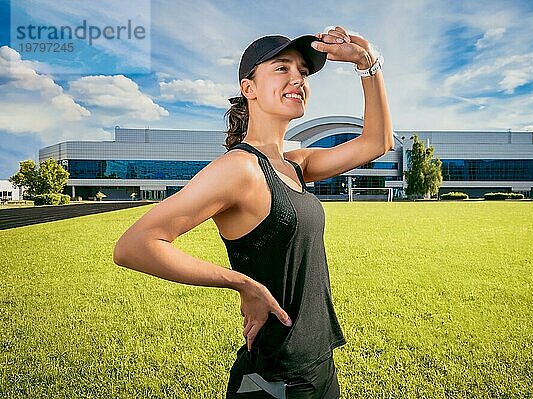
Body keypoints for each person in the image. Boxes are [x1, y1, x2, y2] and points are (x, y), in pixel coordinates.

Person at [113, 25, 393, 399]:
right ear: (250, 89)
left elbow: (377, 142)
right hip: (276, 381)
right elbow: (134, 245)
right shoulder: (239, 169)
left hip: (318, 367)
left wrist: (368, 65)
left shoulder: (295, 164)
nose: (297, 78)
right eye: (282, 68)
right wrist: (241, 283)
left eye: (303, 72)